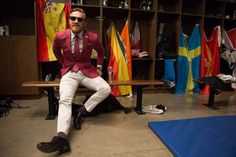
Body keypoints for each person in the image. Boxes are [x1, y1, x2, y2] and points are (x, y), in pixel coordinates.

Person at [37, 8, 111, 154]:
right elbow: (56, 51)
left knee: (106, 89)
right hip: (69, 72)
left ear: (84, 22)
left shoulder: (93, 37)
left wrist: (99, 67)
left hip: (87, 71)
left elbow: (102, 53)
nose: (76, 21)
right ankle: (61, 138)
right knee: (64, 99)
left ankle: (81, 112)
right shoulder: (60, 36)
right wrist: (64, 64)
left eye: (80, 19)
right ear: (69, 20)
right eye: (73, 18)